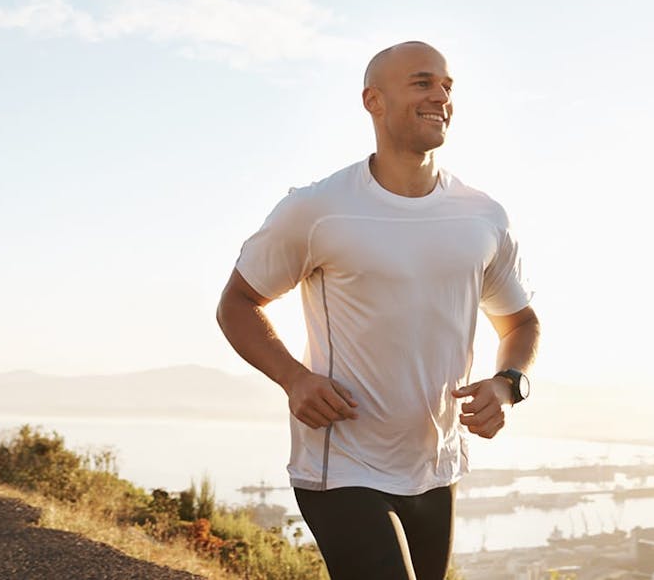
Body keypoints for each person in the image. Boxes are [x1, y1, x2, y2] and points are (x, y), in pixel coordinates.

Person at [216, 40, 540, 580]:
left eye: (447, 85)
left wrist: (508, 383)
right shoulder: (316, 209)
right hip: (342, 464)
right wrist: (295, 379)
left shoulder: (482, 215)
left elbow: (521, 322)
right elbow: (238, 303)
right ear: (374, 100)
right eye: (422, 82)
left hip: (437, 468)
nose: (440, 94)